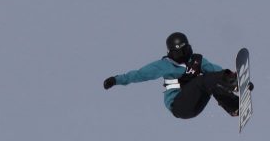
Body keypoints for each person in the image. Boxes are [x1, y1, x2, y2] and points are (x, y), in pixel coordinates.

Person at [103, 32, 250, 120]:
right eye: (179, 53)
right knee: (202, 80)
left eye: (186, 51)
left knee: (212, 82)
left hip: (195, 105)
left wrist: (238, 82)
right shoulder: (164, 65)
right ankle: (233, 86)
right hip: (179, 106)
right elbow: (139, 75)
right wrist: (116, 80)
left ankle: (234, 107)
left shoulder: (197, 61)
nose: (184, 56)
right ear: (171, 53)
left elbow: (217, 74)